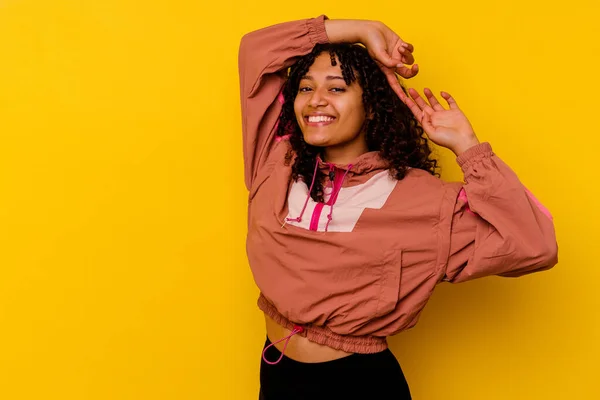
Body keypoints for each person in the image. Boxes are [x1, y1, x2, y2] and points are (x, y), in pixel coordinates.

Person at [237, 15, 558, 400]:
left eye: (336, 88)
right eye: (306, 87)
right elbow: (256, 52)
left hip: (361, 386)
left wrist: (469, 149)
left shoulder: (422, 200)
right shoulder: (276, 159)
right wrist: (360, 30)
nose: (316, 99)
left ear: (371, 107)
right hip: (277, 375)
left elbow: (535, 245)